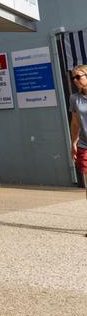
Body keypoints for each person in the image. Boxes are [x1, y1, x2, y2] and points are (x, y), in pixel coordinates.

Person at [70, 63, 87, 235]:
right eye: (73, 77)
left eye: (79, 76)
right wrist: (73, 143)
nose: (75, 80)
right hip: (84, 145)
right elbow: (75, 123)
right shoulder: (75, 98)